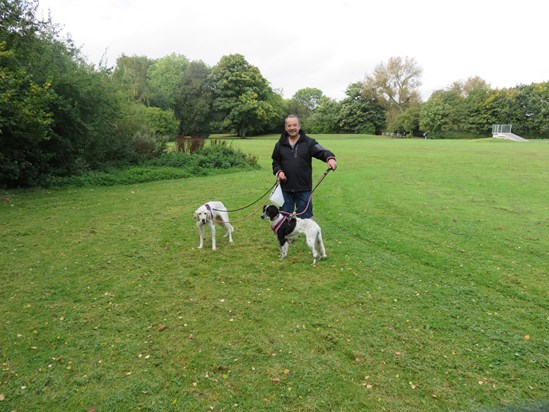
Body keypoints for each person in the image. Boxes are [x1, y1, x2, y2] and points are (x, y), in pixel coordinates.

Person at [271, 114, 337, 219]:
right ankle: (287, 236)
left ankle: (311, 236)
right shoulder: (279, 144)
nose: (292, 128)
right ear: (285, 127)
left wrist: (330, 158)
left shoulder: (309, 142)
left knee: (307, 221)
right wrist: (279, 171)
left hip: (304, 189)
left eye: (294, 125)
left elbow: (322, 151)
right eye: (289, 126)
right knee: (283, 221)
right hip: (285, 189)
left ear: (299, 126)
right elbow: (275, 162)